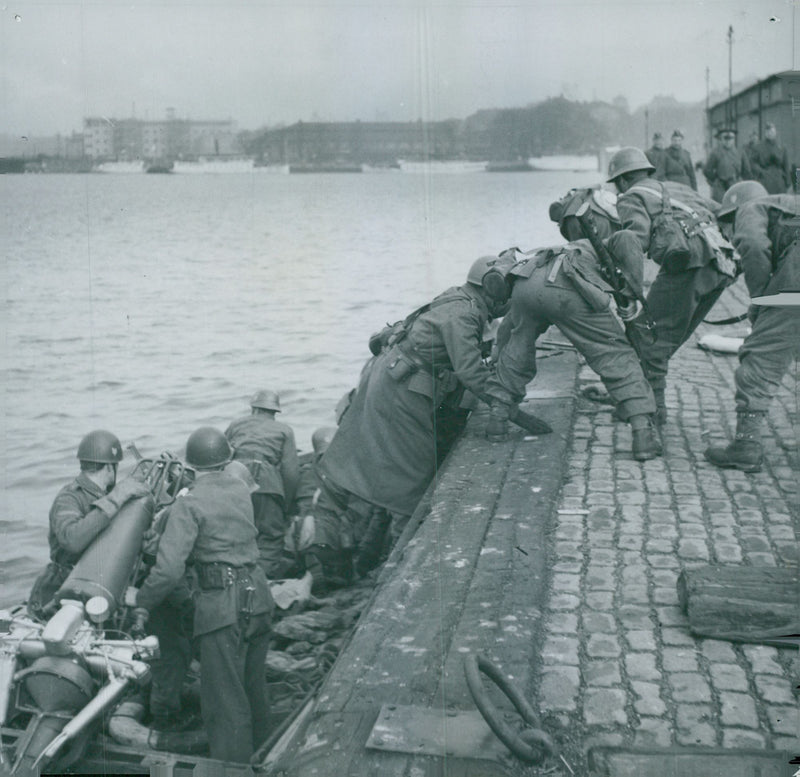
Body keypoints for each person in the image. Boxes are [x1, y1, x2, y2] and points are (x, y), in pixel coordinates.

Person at [318, 256, 515, 543]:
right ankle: (402, 548)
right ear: (491, 287)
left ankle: (388, 542)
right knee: (417, 473)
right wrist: (505, 403)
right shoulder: (465, 313)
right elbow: (471, 371)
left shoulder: (458, 298)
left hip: (397, 381)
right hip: (403, 390)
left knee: (402, 467)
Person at [134, 427, 274, 764]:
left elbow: (168, 571)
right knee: (255, 691)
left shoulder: (189, 503)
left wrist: (141, 602)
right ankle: (268, 758)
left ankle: (233, 770)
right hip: (259, 599)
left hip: (223, 607)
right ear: (227, 460)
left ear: (192, 466)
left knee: (225, 704)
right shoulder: (241, 490)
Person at [485, 232, 662, 461]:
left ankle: (497, 420)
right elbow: (628, 242)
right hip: (566, 285)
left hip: (526, 283)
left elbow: (507, 329)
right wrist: (631, 293)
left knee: (517, 348)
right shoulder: (617, 241)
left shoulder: (565, 246)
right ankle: (642, 434)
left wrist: (498, 352)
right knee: (614, 352)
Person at [606, 146, 739, 425]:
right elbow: (725, 211)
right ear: (648, 171)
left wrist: (627, 289)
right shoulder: (678, 188)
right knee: (668, 336)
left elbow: (634, 241)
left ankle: (651, 410)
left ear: (621, 180)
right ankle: (637, 395)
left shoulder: (630, 197)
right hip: (722, 266)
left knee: (648, 334)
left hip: (687, 265)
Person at [705, 180, 799, 471]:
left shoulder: (749, 208)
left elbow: (753, 244)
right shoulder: (785, 207)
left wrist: (761, 299)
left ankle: (746, 446)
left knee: (759, 357)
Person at [27, 429, 150, 620]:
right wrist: (117, 497)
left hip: (100, 586)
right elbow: (72, 539)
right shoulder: (70, 497)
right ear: (110, 468)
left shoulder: (106, 495)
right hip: (62, 591)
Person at [225, 390, 300, 579]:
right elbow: (290, 473)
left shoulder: (236, 424)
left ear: (254, 409)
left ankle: (234, 580)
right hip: (268, 485)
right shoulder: (284, 430)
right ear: (275, 412)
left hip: (235, 481)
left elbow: (221, 457)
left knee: (234, 534)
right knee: (271, 537)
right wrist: (286, 504)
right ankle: (259, 583)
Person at [703, 128, 753, 202]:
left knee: (737, 206)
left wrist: (747, 185)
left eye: (730, 139)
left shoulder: (740, 152)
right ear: (721, 140)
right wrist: (715, 180)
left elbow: (746, 171)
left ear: (734, 139)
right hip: (720, 187)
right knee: (720, 207)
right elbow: (707, 170)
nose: (728, 142)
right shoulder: (716, 153)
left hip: (735, 184)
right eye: (725, 139)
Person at [749, 122, 792, 194]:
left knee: (779, 200)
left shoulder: (781, 147)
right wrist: (761, 172)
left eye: (771, 131)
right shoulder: (758, 147)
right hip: (765, 179)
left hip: (779, 180)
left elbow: (786, 165)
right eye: (767, 131)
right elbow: (752, 162)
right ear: (765, 133)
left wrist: (788, 182)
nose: (769, 133)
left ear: (775, 132)